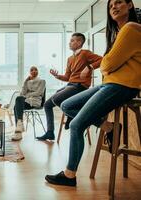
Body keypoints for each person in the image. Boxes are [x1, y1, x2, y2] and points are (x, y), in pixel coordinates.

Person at [45, 0, 140, 187]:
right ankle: (109, 127)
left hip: (121, 85)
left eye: (119, 2)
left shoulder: (130, 28)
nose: (113, 6)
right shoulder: (120, 33)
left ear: (129, 5)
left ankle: (69, 174)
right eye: (111, 4)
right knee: (66, 105)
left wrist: (98, 67)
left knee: (76, 125)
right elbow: (108, 63)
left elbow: (106, 63)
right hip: (109, 84)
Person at [37, 32, 102, 141]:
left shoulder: (85, 53)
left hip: (79, 86)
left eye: (72, 40)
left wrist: (89, 67)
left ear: (80, 42)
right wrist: (57, 76)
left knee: (57, 98)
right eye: (70, 41)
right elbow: (67, 77)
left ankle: (74, 117)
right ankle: (50, 132)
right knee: (47, 105)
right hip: (70, 85)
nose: (70, 43)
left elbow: (102, 59)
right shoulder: (70, 59)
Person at [11, 66, 46, 141]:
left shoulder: (42, 81)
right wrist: (25, 81)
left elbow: (38, 93)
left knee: (18, 100)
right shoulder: (28, 82)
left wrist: (27, 95)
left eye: (35, 70)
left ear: (38, 71)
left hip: (36, 101)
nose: (34, 71)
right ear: (30, 72)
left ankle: (19, 129)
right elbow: (22, 93)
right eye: (32, 70)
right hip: (27, 101)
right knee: (16, 103)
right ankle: (19, 130)